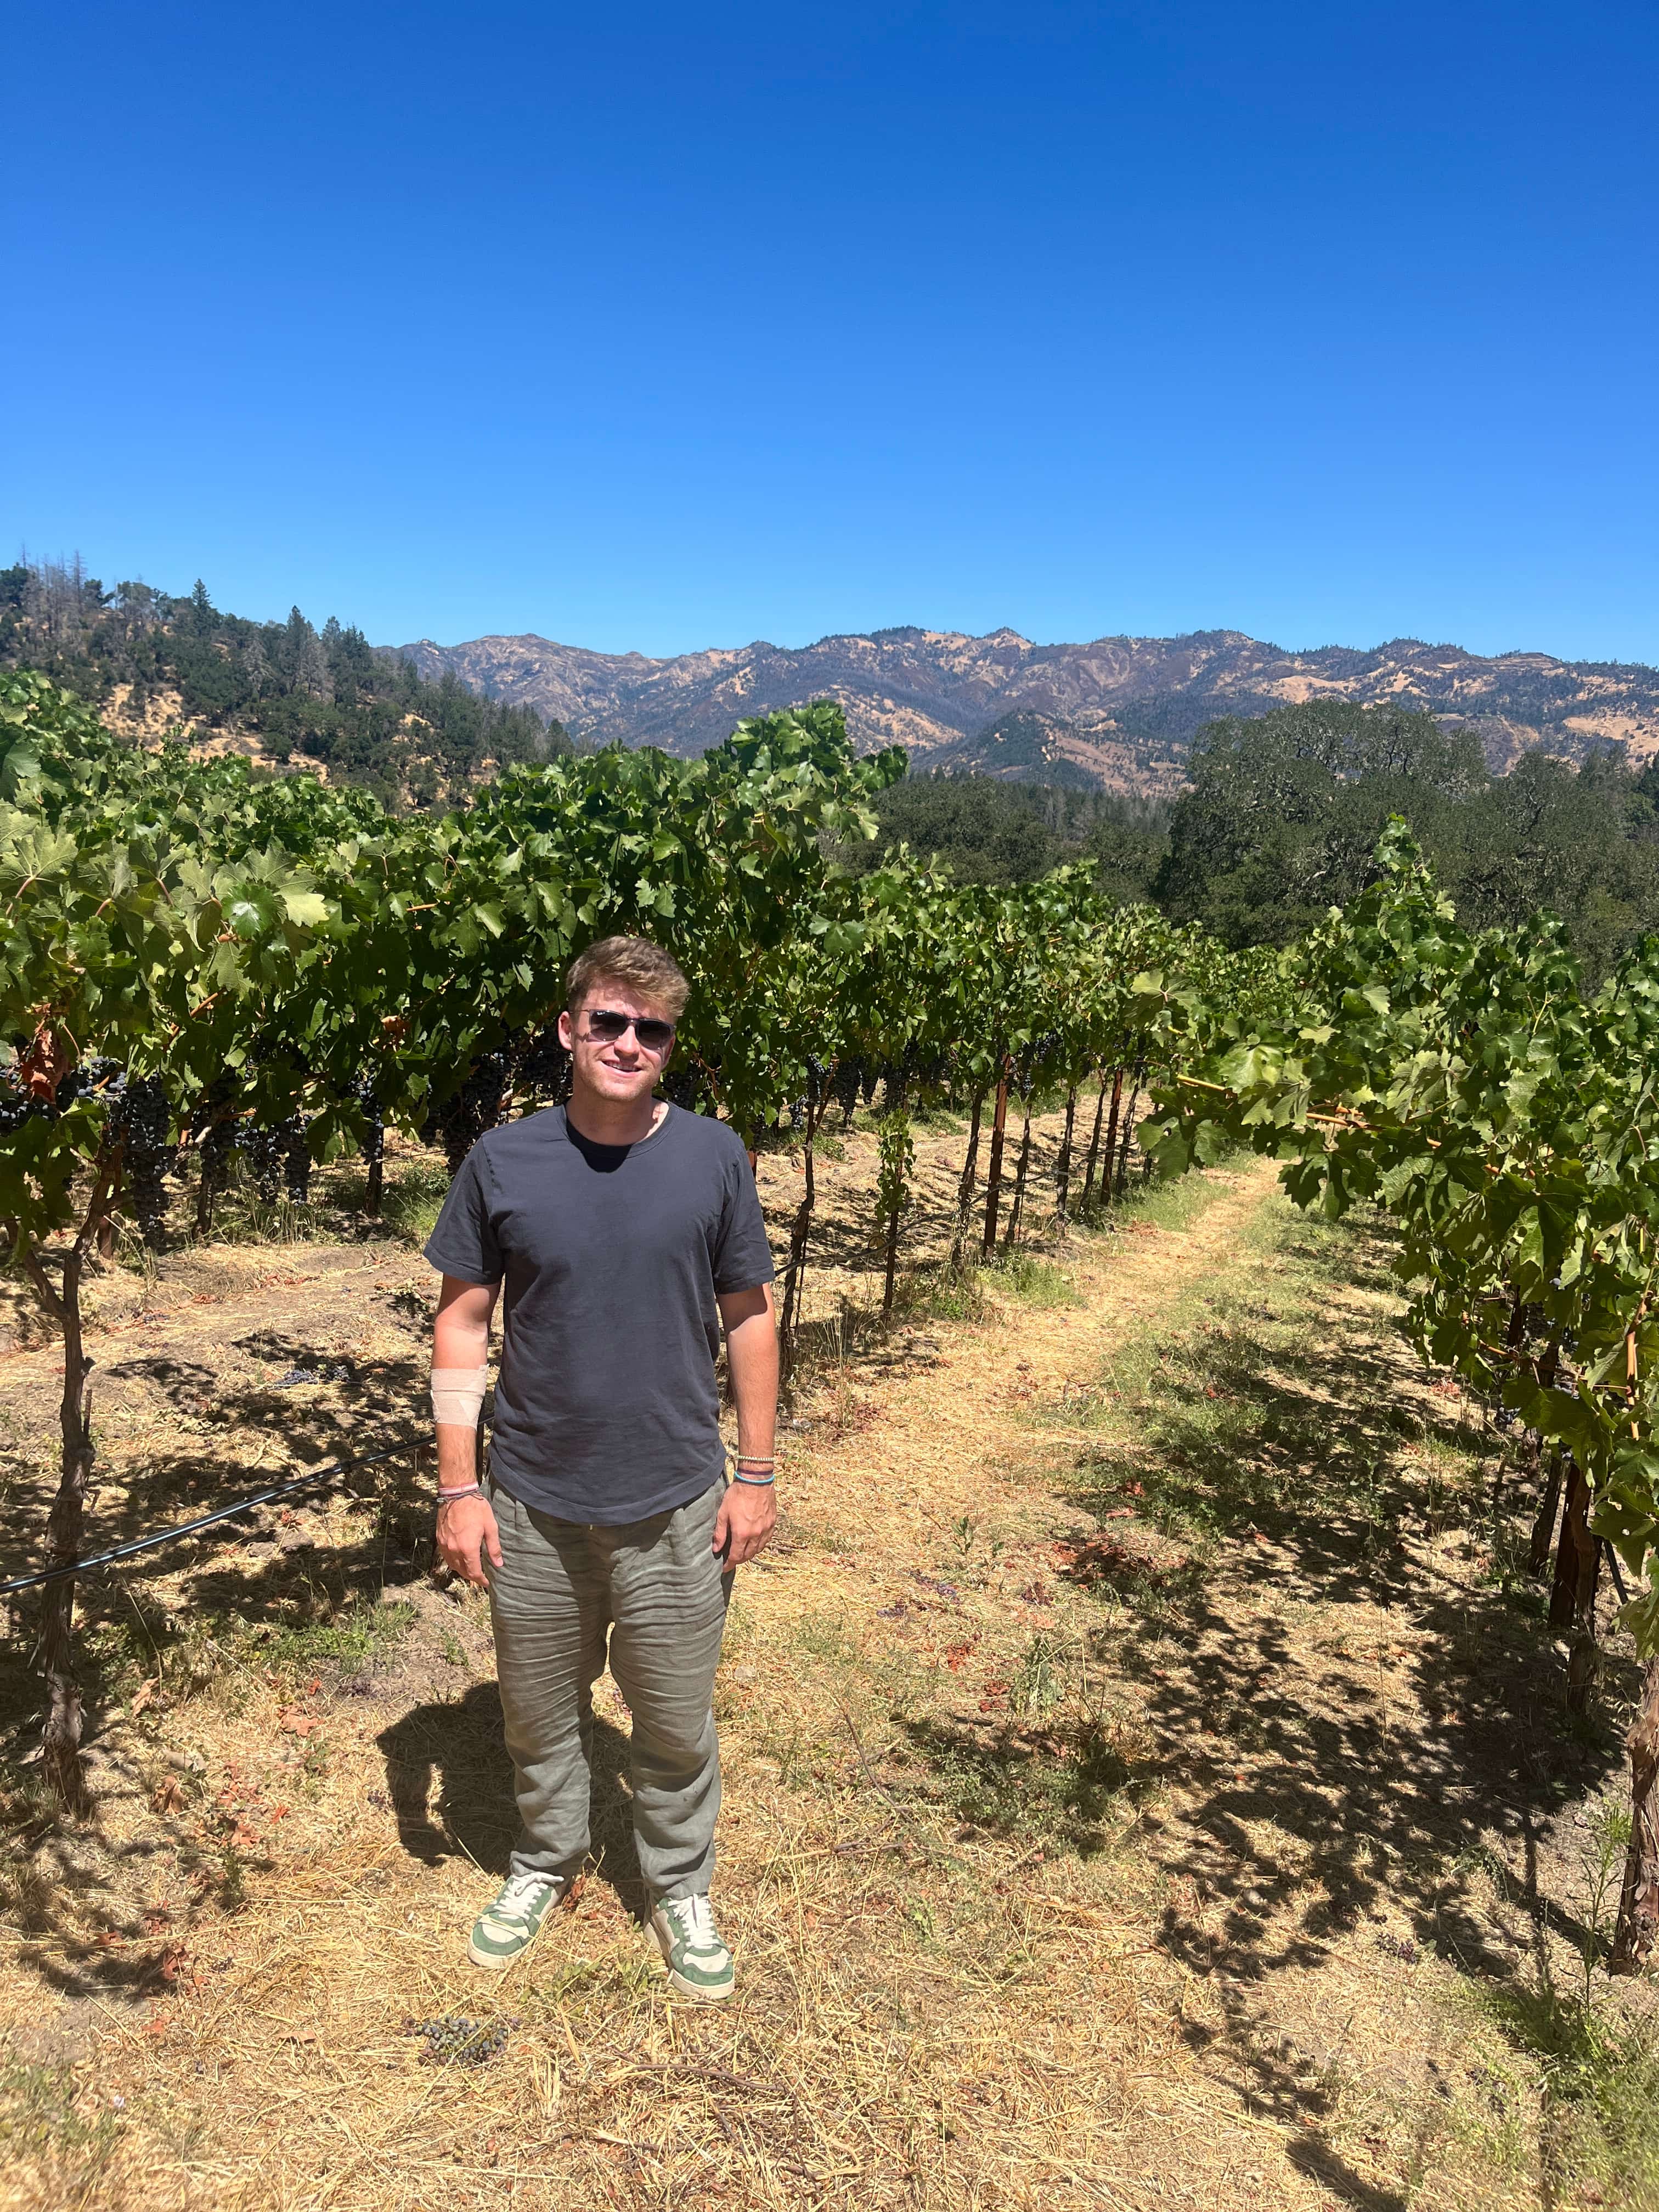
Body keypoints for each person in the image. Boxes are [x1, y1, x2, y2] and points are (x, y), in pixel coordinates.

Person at [423, 935, 778, 2000]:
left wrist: (756, 1475)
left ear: (669, 1045)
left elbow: (751, 1321)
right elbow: (462, 1325)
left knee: (671, 1718)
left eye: (652, 1029)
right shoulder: (504, 1162)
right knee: (536, 1713)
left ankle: (679, 1883)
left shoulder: (715, 1157)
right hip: (531, 1499)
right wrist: (458, 1486)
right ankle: (546, 1859)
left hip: (676, 1498)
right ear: (570, 1028)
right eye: (610, 1022)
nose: (629, 1042)